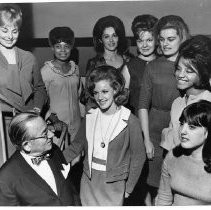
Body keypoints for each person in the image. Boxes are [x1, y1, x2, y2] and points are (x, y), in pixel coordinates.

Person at [63, 65, 146, 206]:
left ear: (116, 89)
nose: (100, 97)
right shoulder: (89, 117)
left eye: (105, 91)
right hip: (88, 181)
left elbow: (139, 156)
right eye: (96, 93)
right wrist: (52, 161)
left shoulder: (130, 120)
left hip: (114, 184)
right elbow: (76, 146)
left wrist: (129, 188)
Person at [138, 15, 190, 205]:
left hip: (181, 127)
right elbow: (143, 105)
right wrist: (146, 140)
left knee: (178, 183)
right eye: (161, 39)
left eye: (171, 39)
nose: (165, 44)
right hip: (154, 130)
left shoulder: (189, 66)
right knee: (154, 184)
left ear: (181, 37)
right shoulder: (152, 66)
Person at [0, 112, 81, 206]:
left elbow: (71, 188)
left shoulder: (54, 150)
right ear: (27, 145)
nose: (51, 135)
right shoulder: (6, 177)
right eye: (44, 134)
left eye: (48, 129)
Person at [0, 4, 47, 161]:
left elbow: (40, 88)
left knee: (27, 169)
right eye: (4, 30)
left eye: (14, 31)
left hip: (26, 124)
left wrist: (37, 109)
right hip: (2, 123)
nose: (9, 36)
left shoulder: (28, 57)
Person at [161, 35, 211, 152]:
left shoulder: (208, 102)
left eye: (189, 71)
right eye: (178, 68)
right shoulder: (177, 103)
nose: (180, 75)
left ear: (203, 73)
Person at [156, 100, 211, 205]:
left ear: (208, 132)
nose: (182, 131)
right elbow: (163, 198)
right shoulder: (173, 156)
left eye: (192, 127)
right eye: (182, 124)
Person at [41, 27, 83, 142]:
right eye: (58, 47)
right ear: (52, 48)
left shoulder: (76, 69)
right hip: (57, 126)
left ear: (71, 47)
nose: (63, 50)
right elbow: (42, 103)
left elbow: (78, 97)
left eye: (66, 46)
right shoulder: (46, 71)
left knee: (76, 157)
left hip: (77, 126)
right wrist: (53, 119)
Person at [84, 15, 131, 110]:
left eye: (114, 35)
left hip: (127, 113)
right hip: (102, 114)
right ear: (100, 40)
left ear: (119, 37)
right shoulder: (94, 63)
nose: (111, 40)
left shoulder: (129, 61)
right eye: (106, 36)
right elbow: (88, 96)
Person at [121, 14, 158, 115]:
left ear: (157, 40)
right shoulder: (129, 67)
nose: (144, 45)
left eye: (149, 40)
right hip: (137, 120)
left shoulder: (163, 63)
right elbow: (122, 103)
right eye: (140, 41)